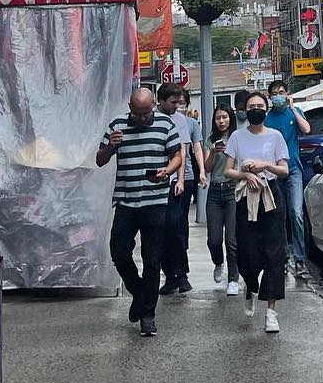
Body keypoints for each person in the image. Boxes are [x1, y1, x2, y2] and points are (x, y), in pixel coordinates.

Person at [95, 87, 182, 337]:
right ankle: (141, 295)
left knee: (152, 260)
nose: (143, 119)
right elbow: (99, 160)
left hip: (155, 202)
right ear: (130, 109)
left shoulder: (165, 124)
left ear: (154, 105)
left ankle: (148, 315)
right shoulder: (117, 125)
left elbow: (176, 155)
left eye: (146, 113)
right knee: (119, 253)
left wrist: (167, 170)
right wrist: (110, 147)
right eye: (137, 114)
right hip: (126, 201)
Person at [225, 90, 291, 332]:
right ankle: (250, 286)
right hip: (246, 197)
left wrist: (265, 166)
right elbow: (227, 171)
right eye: (251, 105)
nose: (255, 109)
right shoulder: (236, 137)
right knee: (248, 253)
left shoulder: (275, 136)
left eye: (259, 105)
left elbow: (284, 170)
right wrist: (246, 174)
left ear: (266, 109)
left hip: (271, 196)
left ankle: (271, 311)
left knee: (275, 254)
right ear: (245, 109)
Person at [158, 83, 203, 295]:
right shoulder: (153, 117)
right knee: (163, 230)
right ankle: (169, 275)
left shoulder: (181, 120)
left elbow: (183, 151)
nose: (177, 106)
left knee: (177, 228)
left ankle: (182, 274)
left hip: (178, 182)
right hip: (157, 183)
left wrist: (180, 179)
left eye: (179, 102)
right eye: (174, 102)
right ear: (161, 101)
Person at [264, 79, 312, 277]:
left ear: (287, 94)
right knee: (279, 217)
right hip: (274, 173)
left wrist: (292, 109)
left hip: (293, 170)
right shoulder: (267, 119)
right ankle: (282, 258)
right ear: (269, 97)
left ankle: (300, 259)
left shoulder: (294, 113)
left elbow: (306, 129)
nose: (278, 96)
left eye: (282, 92)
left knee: (296, 213)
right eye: (275, 93)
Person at [203, 106, 240, 294]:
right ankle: (218, 262)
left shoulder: (238, 138)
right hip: (215, 192)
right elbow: (208, 168)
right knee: (213, 240)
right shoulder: (210, 141)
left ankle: (233, 279)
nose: (222, 121)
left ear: (230, 118)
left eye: (225, 117)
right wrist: (214, 153)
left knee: (232, 240)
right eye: (218, 118)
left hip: (233, 190)